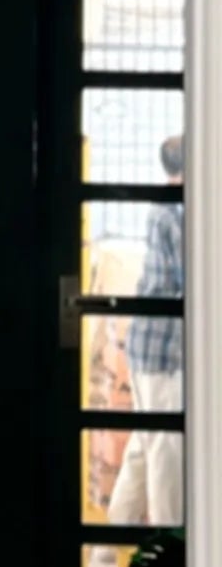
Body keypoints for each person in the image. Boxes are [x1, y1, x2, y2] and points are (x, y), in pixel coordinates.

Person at [110, 130, 185, 532]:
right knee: (165, 452)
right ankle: (168, 550)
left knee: (144, 447)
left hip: (148, 346)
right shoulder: (178, 211)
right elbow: (190, 278)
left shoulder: (164, 206)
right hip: (163, 352)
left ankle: (105, 547)